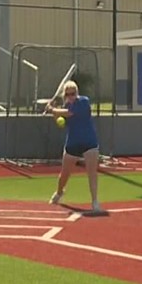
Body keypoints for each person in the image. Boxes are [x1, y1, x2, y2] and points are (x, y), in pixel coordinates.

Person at [44, 80, 103, 213]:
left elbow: (68, 113)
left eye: (73, 93)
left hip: (89, 141)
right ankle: (59, 193)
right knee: (64, 174)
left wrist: (52, 109)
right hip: (73, 142)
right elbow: (62, 122)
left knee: (92, 173)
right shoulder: (65, 106)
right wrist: (53, 113)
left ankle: (95, 202)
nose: (71, 96)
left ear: (77, 93)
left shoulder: (83, 102)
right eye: (68, 94)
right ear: (65, 95)